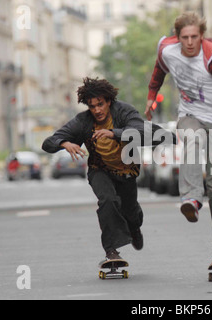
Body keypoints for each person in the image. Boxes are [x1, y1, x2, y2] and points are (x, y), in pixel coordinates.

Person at [145, 12, 212, 267]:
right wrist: (151, 97)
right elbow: (158, 71)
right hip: (190, 115)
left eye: (194, 37)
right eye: (185, 37)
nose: (189, 43)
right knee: (190, 139)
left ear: (202, 35)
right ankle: (191, 199)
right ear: (178, 37)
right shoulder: (167, 50)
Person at [42, 77, 172, 265]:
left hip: (126, 171)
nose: (97, 110)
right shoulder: (83, 121)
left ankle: (134, 228)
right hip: (99, 170)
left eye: (100, 104)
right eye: (92, 106)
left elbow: (141, 130)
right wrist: (64, 142)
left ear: (109, 101)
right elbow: (48, 142)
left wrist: (114, 133)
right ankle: (111, 251)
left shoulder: (124, 112)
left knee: (130, 212)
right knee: (108, 201)